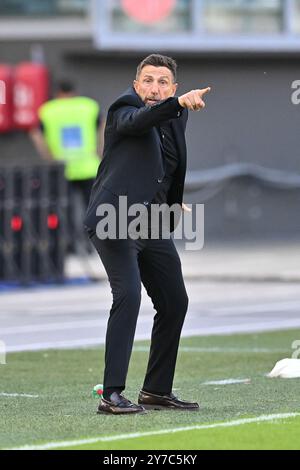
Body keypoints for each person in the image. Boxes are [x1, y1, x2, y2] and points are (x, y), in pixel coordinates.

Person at [84, 54, 211, 415]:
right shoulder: (124, 107)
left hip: (151, 223)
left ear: (173, 86)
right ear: (137, 84)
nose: (154, 88)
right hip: (113, 219)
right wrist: (176, 104)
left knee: (174, 302)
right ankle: (111, 395)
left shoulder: (177, 115)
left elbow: (164, 166)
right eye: (148, 80)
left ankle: (156, 391)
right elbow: (140, 122)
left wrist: (172, 201)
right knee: (128, 295)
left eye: (163, 82)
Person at [30, 80, 105, 251]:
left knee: (64, 209)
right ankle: (92, 244)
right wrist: (100, 150)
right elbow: (103, 124)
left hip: (61, 168)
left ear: (57, 92)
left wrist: (48, 157)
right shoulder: (88, 106)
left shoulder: (47, 110)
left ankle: (68, 245)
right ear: (75, 91)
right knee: (92, 208)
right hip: (88, 166)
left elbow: (35, 134)